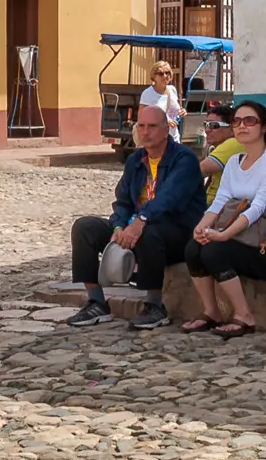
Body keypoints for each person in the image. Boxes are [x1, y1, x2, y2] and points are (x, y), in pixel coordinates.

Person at [64, 104, 206, 330]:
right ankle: (96, 302)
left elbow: (169, 199)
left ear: (166, 129)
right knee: (85, 227)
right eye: (141, 126)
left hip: (177, 233)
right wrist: (119, 227)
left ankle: (154, 306)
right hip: (136, 227)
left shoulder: (184, 159)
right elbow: (123, 201)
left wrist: (141, 221)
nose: (145, 132)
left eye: (152, 126)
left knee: (149, 231)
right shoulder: (136, 160)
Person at [182, 100, 266, 337]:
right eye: (236, 121)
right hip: (242, 238)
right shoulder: (234, 162)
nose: (242, 126)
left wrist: (224, 235)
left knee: (214, 250)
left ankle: (244, 315)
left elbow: (259, 206)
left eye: (250, 121)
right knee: (194, 248)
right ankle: (211, 311)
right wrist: (201, 228)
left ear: (264, 127)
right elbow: (220, 201)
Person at [198, 103, 244, 205]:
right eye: (205, 124)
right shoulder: (218, 147)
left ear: (232, 129)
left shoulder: (234, 143)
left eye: (213, 125)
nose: (207, 130)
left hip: (220, 210)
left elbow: (199, 170)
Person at [140, 62, 185, 141]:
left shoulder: (172, 89)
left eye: (167, 73)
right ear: (154, 76)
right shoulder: (148, 93)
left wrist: (182, 112)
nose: (165, 76)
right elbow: (141, 118)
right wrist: (163, 120)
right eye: (161, 73)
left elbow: (176, 111)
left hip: (174, 138)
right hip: (157, 140)